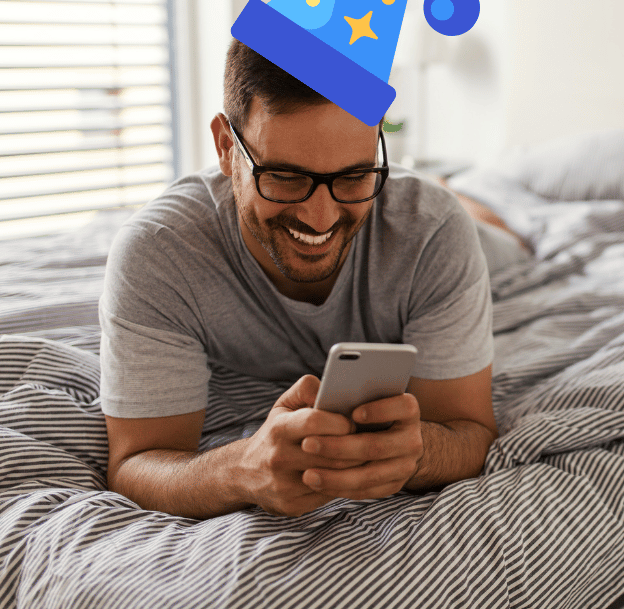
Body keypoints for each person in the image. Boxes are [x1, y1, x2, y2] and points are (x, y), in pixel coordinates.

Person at [100, 40, 499, 519]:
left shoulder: (433, 230)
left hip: (496, 247)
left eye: (354, 176)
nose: (320, 217)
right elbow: (133, 464)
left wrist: (421, 453)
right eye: (286, 177)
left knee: (504, 240)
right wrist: (239, 467)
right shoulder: (158, 252)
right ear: (227, 148)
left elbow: (470, 431)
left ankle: (489, 205)